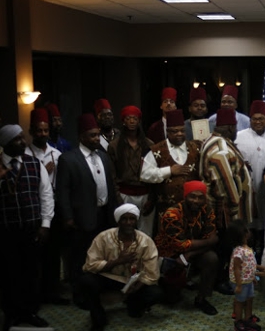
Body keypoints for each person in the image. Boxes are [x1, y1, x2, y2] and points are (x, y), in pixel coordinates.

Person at [0, 124, 54, 330]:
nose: (23, 142)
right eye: (17, 139)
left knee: (31, 273)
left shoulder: (34, 163)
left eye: (23, 138)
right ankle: (11, 314)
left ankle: (30, 312)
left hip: (32, 229)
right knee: (8, 274)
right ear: (5, 143)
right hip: (5, 231)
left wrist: (45, 225)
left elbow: (46, 195)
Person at [77, 204, 162, 331]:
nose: (128, 223)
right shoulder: (103, 237)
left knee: (156, 293)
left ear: (136, 221)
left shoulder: (145, 241)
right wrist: (118, 261)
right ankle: (98, 316)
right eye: (124, 219)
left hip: (133, 281)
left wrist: (137, 286)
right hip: (109, 278)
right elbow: (90, 265)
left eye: (132, 219)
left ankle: (133, 304)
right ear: (118, 221)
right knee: (86, 281)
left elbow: (152, 273)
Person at [56, 114, 118, 286]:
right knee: (81, 257)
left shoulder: (103, 157)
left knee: (103, 254)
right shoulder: (68, 159)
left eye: (98, 134)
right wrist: (68, 217)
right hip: (81, 217)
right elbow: (63, 191)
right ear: (81, 136)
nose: (97, 138)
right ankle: (80, 293)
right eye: (92, 135)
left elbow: (111, 186)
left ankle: (99, 288)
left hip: (104, 215)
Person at [201, 108, 253, 296]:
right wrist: (234, 211)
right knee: (224, 246)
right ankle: (220, 280)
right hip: (225, 211)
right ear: (231, 127)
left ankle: (219, 278)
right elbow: (226, 182)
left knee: (223, 246)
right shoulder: (221, 150)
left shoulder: (213, 141)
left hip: (221, 208)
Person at [154, 181, 220, 314]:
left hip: (191, 254)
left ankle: (201, 298)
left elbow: (211, 239)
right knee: (172, 299)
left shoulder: (207, 211)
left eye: (200, 197)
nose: (196, 200)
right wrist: (208, 241)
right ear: (185, 196)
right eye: (192, 196)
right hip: (170, 256)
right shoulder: (172, 214)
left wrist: (189, 255)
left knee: (211, 258)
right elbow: (181, 244)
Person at [25, 108, 66, 305]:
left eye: (45, 130)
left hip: (54, 209)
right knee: (34, 257)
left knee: (53, 254)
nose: (43, 134)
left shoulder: (56, 153)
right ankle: (35, 295)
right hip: (33, 210)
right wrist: (42, 170)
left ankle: (53, 292)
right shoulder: (25, 154)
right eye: (39, 131)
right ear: (31, 131)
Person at [141, 109, 203, 220]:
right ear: (168, 132)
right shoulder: (156, 150)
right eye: (175, 131)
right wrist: (169, 171)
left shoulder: (196, 147)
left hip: (193, 209)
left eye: (182, 131)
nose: (179, 134)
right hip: (166, 209)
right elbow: (144, 174)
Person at [235, 101, 265, 249]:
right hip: (247, 188)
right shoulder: (239, 137)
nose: (258, 122)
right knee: (249, 221)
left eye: (261, 118)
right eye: (254, 119)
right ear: (250, 120)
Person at [108, 106, 155, 236]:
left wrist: (151, 198)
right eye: (128, 118)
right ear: (123, 121)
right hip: (125, 193)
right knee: (126, 231)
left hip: (145, 192)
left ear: (139, 121)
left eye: (135, 118)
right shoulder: (115, 145)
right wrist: (118, 198)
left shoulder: (149, 144)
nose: (132, 121)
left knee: (145, 232)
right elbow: (112, 175)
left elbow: (154, 173)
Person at [228, 219, 265, 331]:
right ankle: (238, 322)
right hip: (240, 282)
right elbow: (236, 269)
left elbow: (250, 264)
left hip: (248, 281)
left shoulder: (248, 249)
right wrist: (239, 285)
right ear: (244, 234)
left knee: (250, 299)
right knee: (240, 302)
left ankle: (248, 319)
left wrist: (253, 276)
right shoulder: (238, 251)